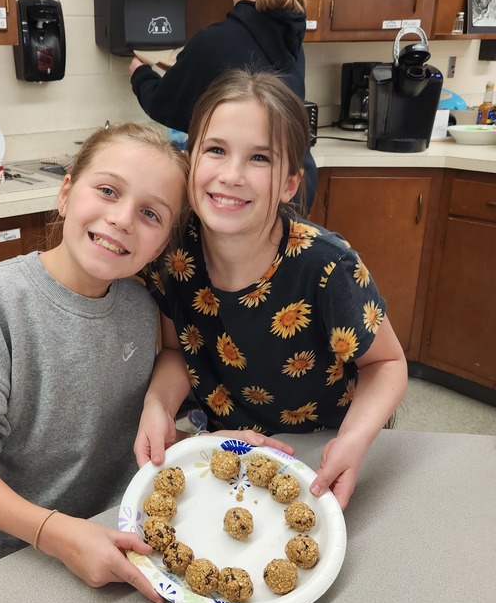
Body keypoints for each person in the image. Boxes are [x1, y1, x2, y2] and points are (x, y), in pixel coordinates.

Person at [0, 122, 288, 602]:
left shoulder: (140, 305)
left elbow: (153, 376)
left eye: (150, 213)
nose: (123, 219)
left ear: (161, 245)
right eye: (107, 191)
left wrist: (192, 444)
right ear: (66, 193)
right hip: (7, 556)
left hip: (111, 529)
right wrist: (56, 534)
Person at [134, 71, 408, 510]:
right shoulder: (172, 256)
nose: (231, 175)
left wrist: (353, 441)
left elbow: (387, 364)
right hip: (229, 449)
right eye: (216, 150)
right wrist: (159, 405)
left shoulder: (326, 266)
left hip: (321, 452)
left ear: (289, 184)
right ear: (190, 159)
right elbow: (174, 352)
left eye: (259, 158)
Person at [129, 0, 318, 211]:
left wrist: (140, 74)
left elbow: (165, 105)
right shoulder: (291, 39)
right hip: (290, 183)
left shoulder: (214, 41)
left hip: (248, 189)